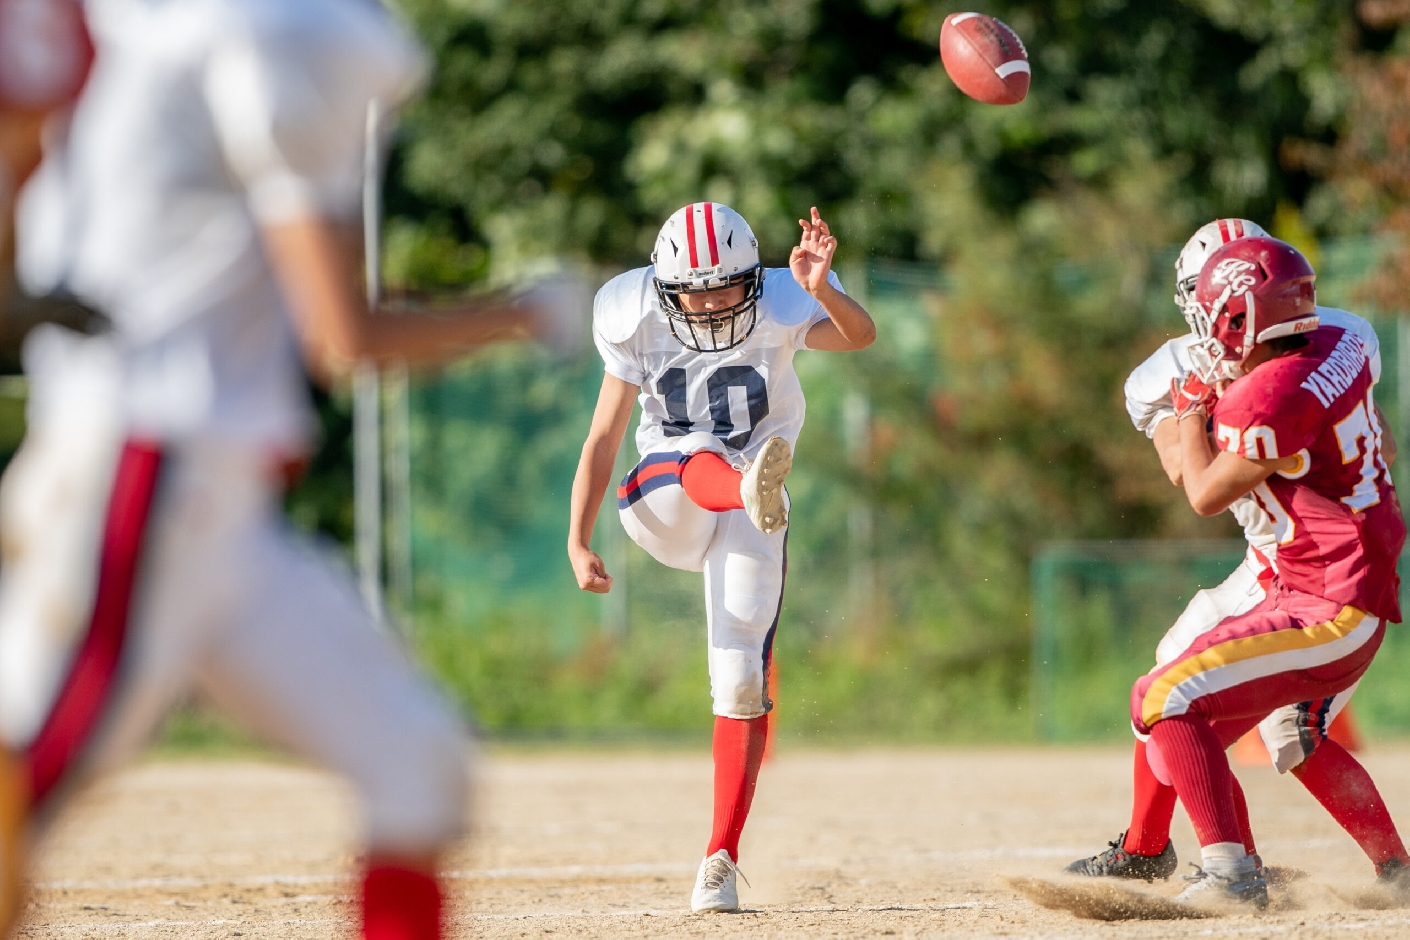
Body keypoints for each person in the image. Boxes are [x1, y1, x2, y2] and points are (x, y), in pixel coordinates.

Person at [0, 0, 581, 937]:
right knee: (30, 777)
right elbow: (343, 335)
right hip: (146, 472)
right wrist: (530, 312)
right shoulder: (279, 27)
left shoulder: (184, 25)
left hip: (217, 508)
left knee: (414, 763)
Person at [1068, 221, 1410, 892]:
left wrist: (1202, 412)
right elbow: (1380, 443)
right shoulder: (1342, 335)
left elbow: (1200, 487)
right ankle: (1150, 847)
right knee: (1193, 691)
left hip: (1308, 573)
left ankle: (1228, 867)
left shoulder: (1262, 384)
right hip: (1304, 558)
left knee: (1181, 700)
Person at [567, 202, 875, 912]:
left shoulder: (783, 296)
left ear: (752, 279)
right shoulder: (631, 313)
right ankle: (739, 482)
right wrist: (577, 539)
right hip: (666, 500)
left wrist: (824, 285)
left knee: (739, 676)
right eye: (693, 291)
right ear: (662, 287)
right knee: (699, 451)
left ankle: (720, 860)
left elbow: (860, 336)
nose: (708, 304)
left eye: (725, 288)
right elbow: (603, 440)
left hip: (750, 506)